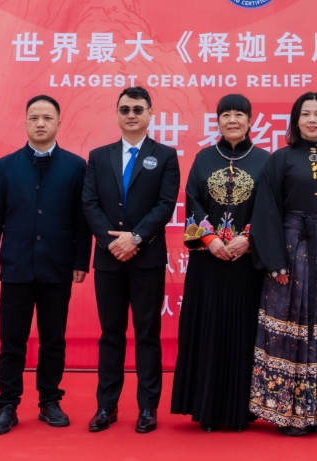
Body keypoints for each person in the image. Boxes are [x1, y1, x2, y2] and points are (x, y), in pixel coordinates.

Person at [0, 95, 91, 436]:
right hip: (15, 267)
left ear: (59, 123)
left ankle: (49, 401)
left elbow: (82, 220)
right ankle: (7, 405)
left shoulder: (76, 167)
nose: (40, 123)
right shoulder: (6, 166)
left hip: (57, 267)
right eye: (34, 117)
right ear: (26, 122)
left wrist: (81, 261)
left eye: (47, 117)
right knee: (12, 341)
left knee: (53, 340)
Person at [248, 92, 317, 434]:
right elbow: (266, 212)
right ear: (295, 120)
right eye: (305, 114)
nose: (312, 120)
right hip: (289, 249)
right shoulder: (279, 159)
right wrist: (274, 262)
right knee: (288, 324)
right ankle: (287, 411)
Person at [82, 86, 181, 434]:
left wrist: (135, 238)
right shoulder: (99, 157)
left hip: (146, 259)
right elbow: (90, 204)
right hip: (109, 259)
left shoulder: (165, 156)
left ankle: (147, 407)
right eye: (125, 109)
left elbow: (165, 205)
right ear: (117, 114)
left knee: (147, 334)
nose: (131, 115)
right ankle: (106, 406)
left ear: (151, 113)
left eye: (138, 109)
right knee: (110, 334)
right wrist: (113, 242)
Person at [171, 94, 268, 432]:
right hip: (208, 261)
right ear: (218, 121)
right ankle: (207, 409)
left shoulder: (265, 161)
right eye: (226, 114)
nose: (232, 120)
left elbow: (269, 208)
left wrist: (248, 238)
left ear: (250, 121)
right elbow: (193, 202)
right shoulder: (203, 158)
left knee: (242, 332)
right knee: (208, 331)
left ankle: (240, 410)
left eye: (239, 114)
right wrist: (210, 239)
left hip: (245, 262)